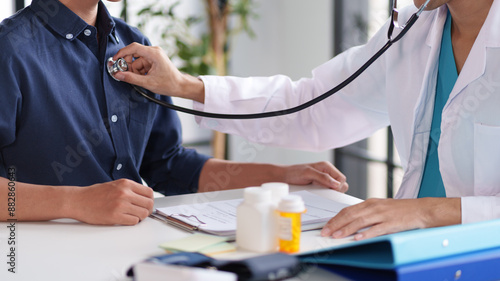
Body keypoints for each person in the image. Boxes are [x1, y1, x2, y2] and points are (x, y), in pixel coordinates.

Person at [113, 0, 499, 239]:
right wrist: (186, 86)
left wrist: (430, 211)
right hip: (414, 252)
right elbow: (310, 105)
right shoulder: (414, 31)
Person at [0, 0, 349, 225]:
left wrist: (279, 177)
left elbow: (168, 165)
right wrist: (74, 202)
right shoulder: (10, 49)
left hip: (130, 254)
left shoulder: (132, 42)